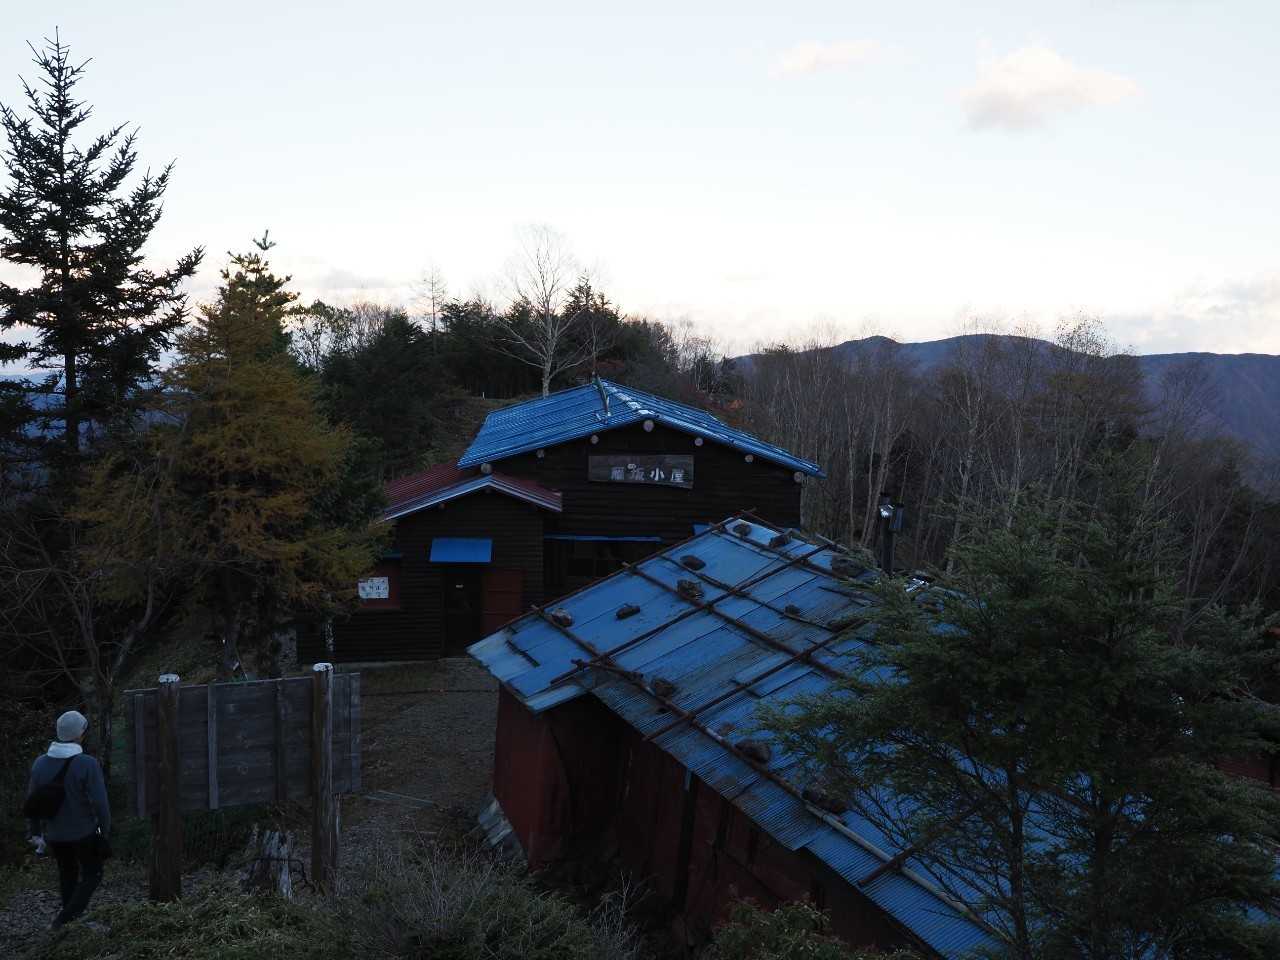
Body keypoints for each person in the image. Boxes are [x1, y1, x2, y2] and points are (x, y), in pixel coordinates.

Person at [25, 710, 111, 930]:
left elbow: (32, 801)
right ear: (79, 734)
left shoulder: (40, 763)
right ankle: (64, 919)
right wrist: (104, 830)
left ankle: (70, 925)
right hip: (83, 832)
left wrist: (35, 832)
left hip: (54, 834)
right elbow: (100, 803)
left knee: (67, 874)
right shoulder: (87, 763)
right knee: (93, 873)